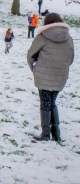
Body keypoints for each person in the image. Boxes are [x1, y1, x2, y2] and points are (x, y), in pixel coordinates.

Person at [27, 12, 74, 143]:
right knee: (52, 102)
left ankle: (46, 133)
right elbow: (71, 58)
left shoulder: (42, 37)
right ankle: (56, 134)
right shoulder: (68, 38)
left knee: (45, 103)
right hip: (60, 76)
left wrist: (35, 70)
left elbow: (30, 55)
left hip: (43, 75)